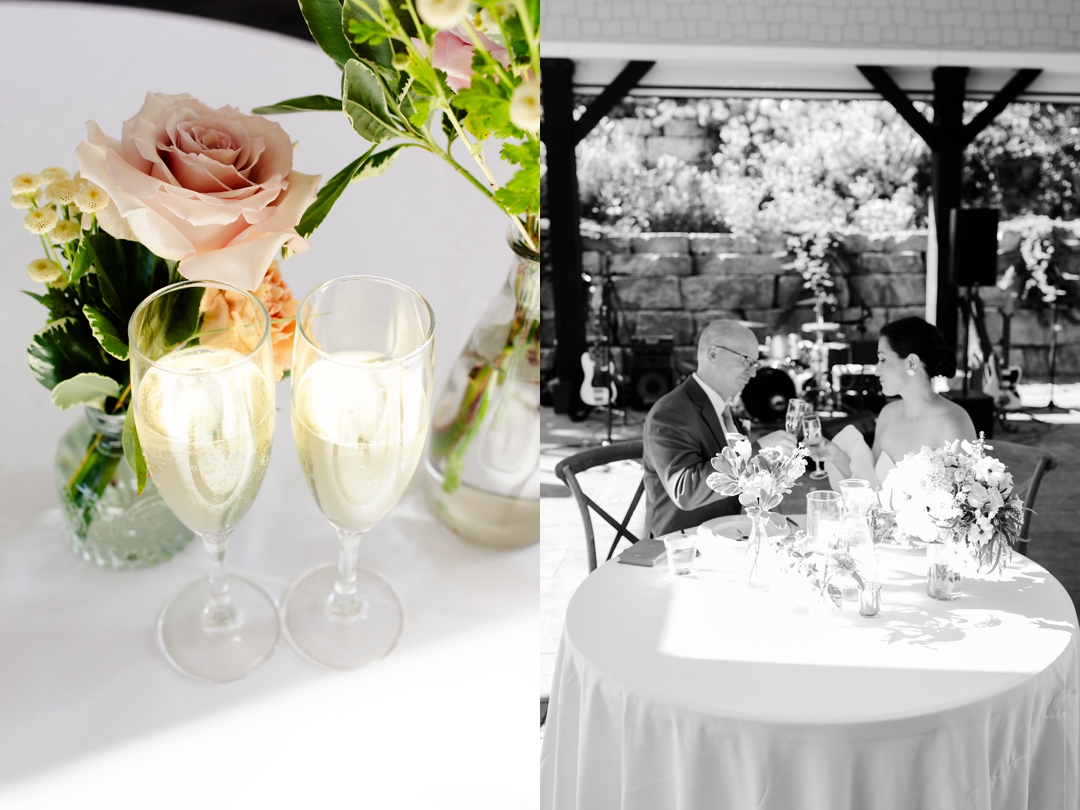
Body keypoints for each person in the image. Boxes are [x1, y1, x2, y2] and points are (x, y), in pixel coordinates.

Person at [642, 321, 797, 537]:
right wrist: (756, 451)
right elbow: (685, 491)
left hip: (728, 533)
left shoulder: (724, 409)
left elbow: (740, 478)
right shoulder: (670, 413)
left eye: (755, 363)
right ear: (713, 354)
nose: (752, 373)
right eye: (747, 361)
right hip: (682, 544)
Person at [807, 316, 977, 485]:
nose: (877, 370)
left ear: (911, 362)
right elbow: (871, 487)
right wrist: (834, 455)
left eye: (882, 359)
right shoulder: (887, 414)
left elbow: (966, 504)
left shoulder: (953, 422)